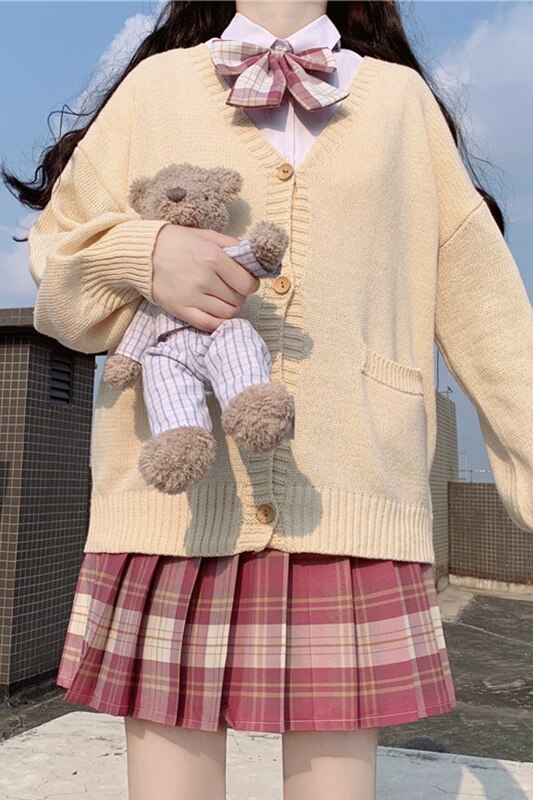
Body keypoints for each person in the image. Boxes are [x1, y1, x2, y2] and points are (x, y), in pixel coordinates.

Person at [3, 2, 532, 799]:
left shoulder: (397, 104)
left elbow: (487, 312)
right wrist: (143, 253)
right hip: (172, 511)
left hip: (348, 500)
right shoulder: (154, 89)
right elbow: (63, 275)